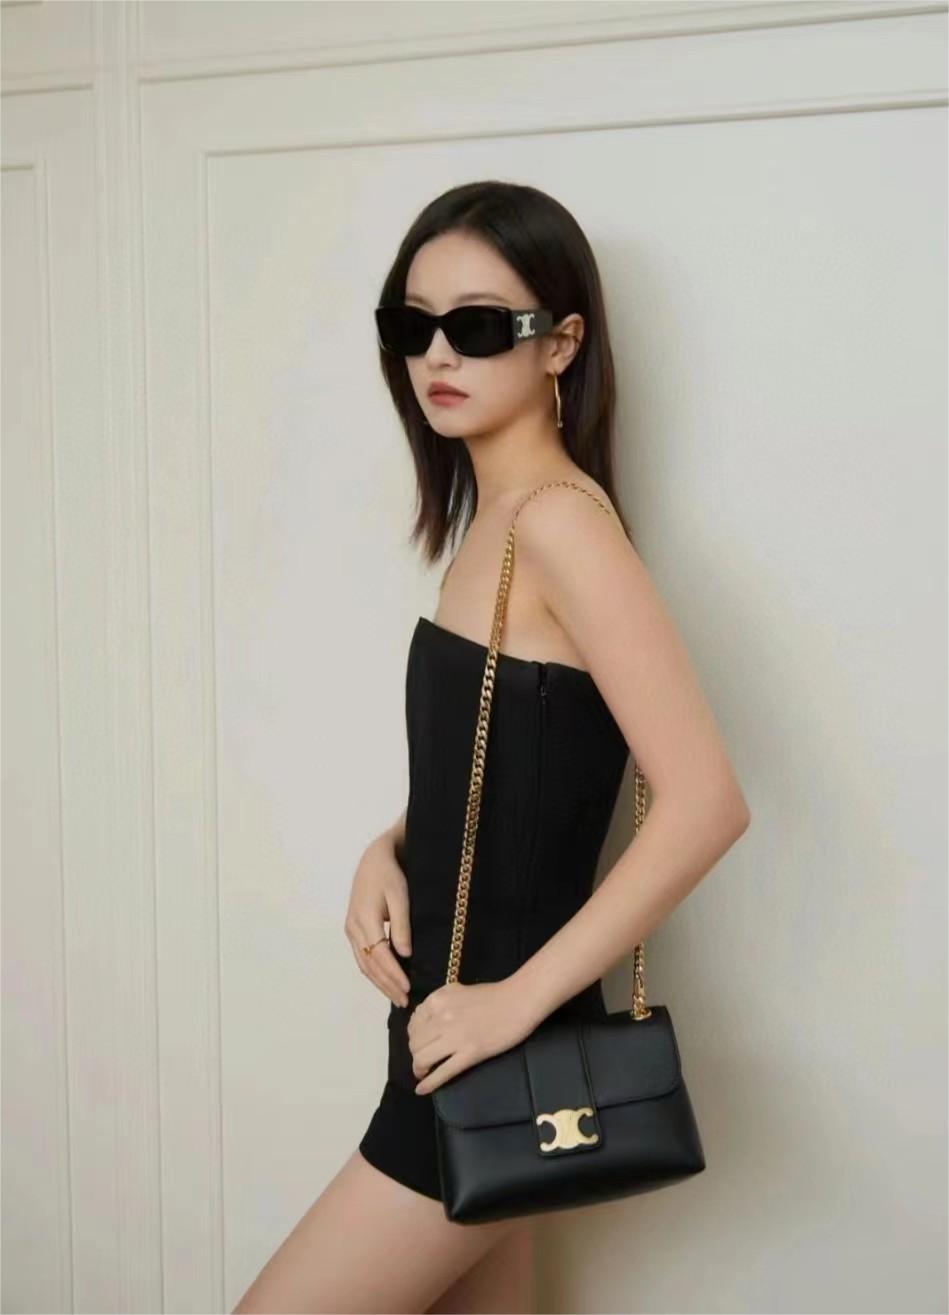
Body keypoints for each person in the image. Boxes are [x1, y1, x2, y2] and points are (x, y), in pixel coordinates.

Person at [233, 180, 751, 1315]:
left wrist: (516, 1002)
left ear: (560, 343)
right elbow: (521, 760)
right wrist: (391, 844)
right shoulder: (496, 526)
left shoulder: (560, 523)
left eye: (475, 325)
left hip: (494, 1047)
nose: (435, 354)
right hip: (450, 1036)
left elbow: (706, 800)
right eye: (410, 324)